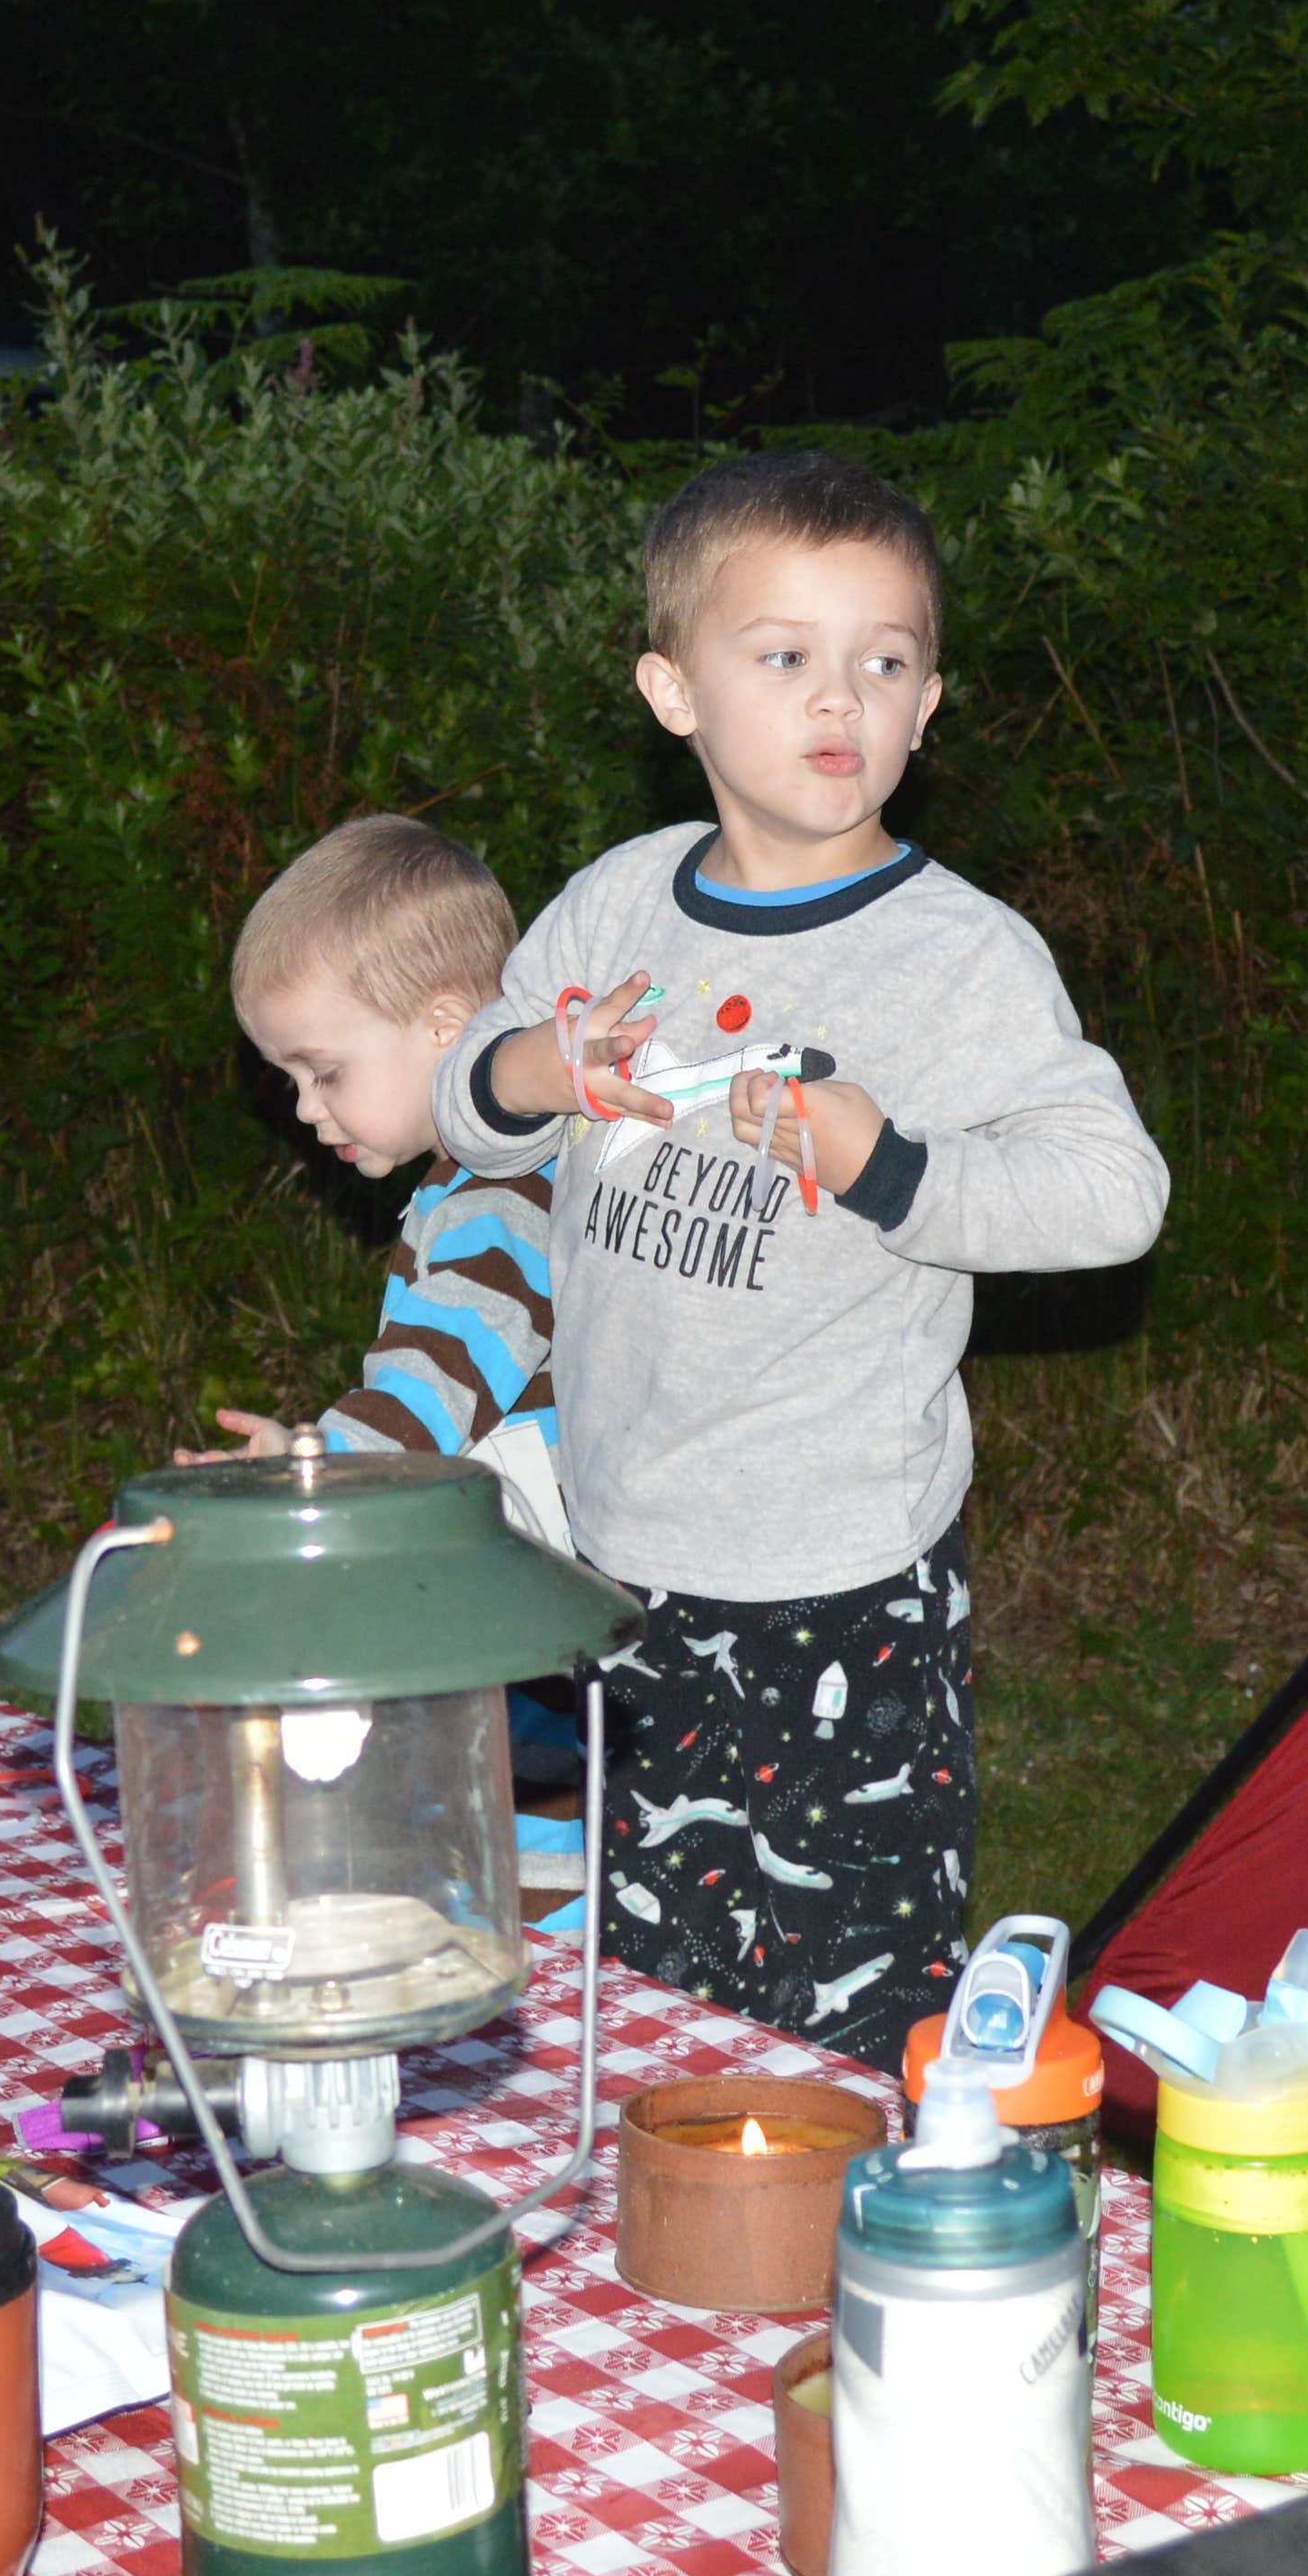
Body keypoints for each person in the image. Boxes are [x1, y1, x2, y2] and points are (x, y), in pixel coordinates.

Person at [423, 448, 1167, 2052]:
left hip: (844, 1575)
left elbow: (1115, 1195)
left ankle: (864, 2241)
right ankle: (700, 2256)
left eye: (882, 662)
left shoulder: (956, 958)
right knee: (655, 1966)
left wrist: (887, 1164)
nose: (840, 698)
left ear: (930, 704)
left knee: (843, 1975)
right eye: (784, 658)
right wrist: (538, 1071)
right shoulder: (619, 909)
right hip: (624, 1549)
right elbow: (467, 1093)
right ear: (672, 690)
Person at [203, 814, 568, 1555]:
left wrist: (321, 1468)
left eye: (325, 1072)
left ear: (444, 1027)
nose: (306, 1107)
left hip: (541, 1586)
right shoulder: (469, 1184)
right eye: (292, 1080)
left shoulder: (505, 1195)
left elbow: (436, 1381)